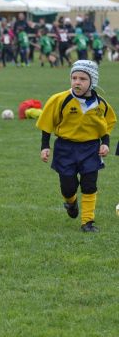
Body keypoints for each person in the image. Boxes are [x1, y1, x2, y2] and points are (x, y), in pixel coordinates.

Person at [36, 60, 116, 232]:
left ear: (92, 82)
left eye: (82, 79)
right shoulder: (60, 100)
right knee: (68, 186)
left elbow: (106, 124)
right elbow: (47, 123)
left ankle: (87, 222)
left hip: (90, 148)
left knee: (89, 185)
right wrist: (45, 146)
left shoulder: (100, 104)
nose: (77, 82)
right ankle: (71, 202)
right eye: (74, 78)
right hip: (65, 148)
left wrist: (106, 144)